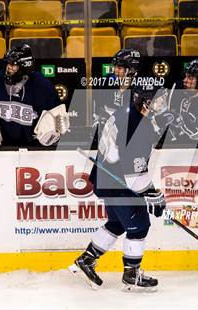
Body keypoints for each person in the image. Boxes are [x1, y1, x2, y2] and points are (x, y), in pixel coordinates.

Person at [70, 85, 170, 291]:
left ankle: (86, 260)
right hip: (120, 184)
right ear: (145, 103)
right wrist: (153, 194)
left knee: (117, 223)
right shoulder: (139, 128)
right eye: (157, 100)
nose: (161, 104)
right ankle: (131, 274)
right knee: (140, 225)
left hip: (106, 179)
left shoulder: (124, 111)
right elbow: (135, 178)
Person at [0, 44, 67, 150]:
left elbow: (56, 116)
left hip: (33, 149)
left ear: (25, 66)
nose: (9, 68)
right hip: (1, 148)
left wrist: (53, 130)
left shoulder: (43, 87)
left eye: (13, 65)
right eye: (8, 64)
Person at [92, 48, 141, 131]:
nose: (115, 71)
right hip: (111, 118)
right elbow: (100, 106)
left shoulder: (141, 84)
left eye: (119, 68)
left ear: (131, 69)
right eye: (115, 67)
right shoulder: (108, 80)